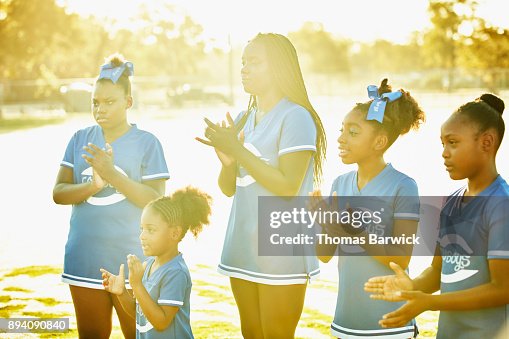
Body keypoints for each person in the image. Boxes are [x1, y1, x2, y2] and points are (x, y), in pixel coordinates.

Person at [196, 32, 327, 338]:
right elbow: (229, 188)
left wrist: (239, 150)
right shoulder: (244, 117)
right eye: (243, 62)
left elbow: (288, 188)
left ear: (279, 68)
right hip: (242, 243)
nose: (244, 69)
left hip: (281, 246)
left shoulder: (297, 117)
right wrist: (228, 161)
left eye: (254, 62)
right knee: (251, 334)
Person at [364, 94, 509, 339]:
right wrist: (413, 287)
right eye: (442, 143)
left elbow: (503, 289)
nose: (444, 153)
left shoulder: (500, 204)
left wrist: (430, 303)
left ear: (487, 142)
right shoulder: (451, 201)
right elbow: (438, 271)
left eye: (453, 142)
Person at [52, 53, 170, 338]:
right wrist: (93, 186)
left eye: (109, 102)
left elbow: (155, 201)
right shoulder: (79, 138)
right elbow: (58, 193)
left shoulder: (147, 143)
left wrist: (112, 174)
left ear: (128, 102)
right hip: (84, 258)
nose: (100, 109)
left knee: (139, 334)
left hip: (133, 261)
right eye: (95, 102)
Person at [313, 79, 425, 338]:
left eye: (352, 132)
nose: (341, 138)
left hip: (390, 325)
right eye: (342, 130)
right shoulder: (340, 184)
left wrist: (355, 231)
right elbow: (324, 254)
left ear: (379, 142)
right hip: (346, 323)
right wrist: (326, 223)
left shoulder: (404, 186)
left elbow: (400, 257)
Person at [100, 186, 212, 339]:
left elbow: (161, 322)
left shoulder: (175, 272)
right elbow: (138, 312)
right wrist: (122, 292)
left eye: (151, 230)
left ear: (174, 233)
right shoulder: (148, 266)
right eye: (142, 229)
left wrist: (137, 284)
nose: (142, 236)